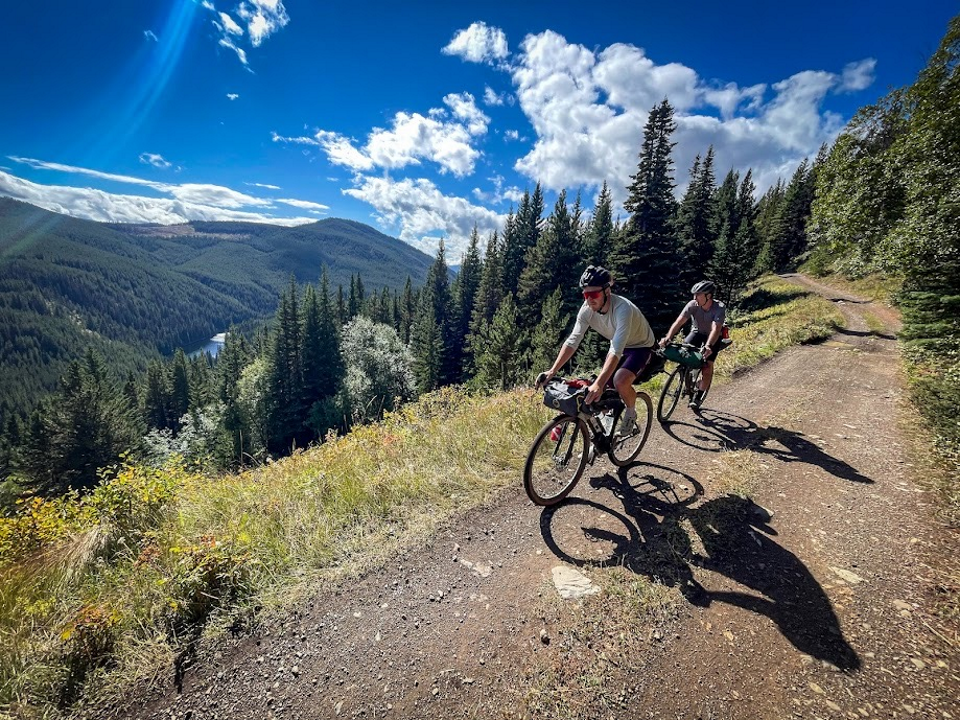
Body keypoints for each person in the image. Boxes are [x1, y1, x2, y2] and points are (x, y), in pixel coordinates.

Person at [537, 265, 656, 433]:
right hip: (618, 344)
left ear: (607, 291)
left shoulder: (623, 309)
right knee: (598, 394)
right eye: (585, 294)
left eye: (593, 294)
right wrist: (552, 371)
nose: (588, 299)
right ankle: (604, 431)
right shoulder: (586, 310)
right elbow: (572, 341)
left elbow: (615, 350)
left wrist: (599, 384)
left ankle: (630, 412)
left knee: (620, 381)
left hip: (640, 346)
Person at [659, 280, 728, 409]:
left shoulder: (719, 307)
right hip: (696, 332)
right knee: (684, 353)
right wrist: (668, 337)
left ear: (708, 296)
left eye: (698, 295)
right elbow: (679, 322)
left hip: (713, 337)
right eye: (694, 295)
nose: (694, 298)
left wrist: (708, 346)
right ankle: (688, 379)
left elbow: (715, 329)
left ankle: (698, 396)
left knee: (707, 366)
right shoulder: (692, 305)